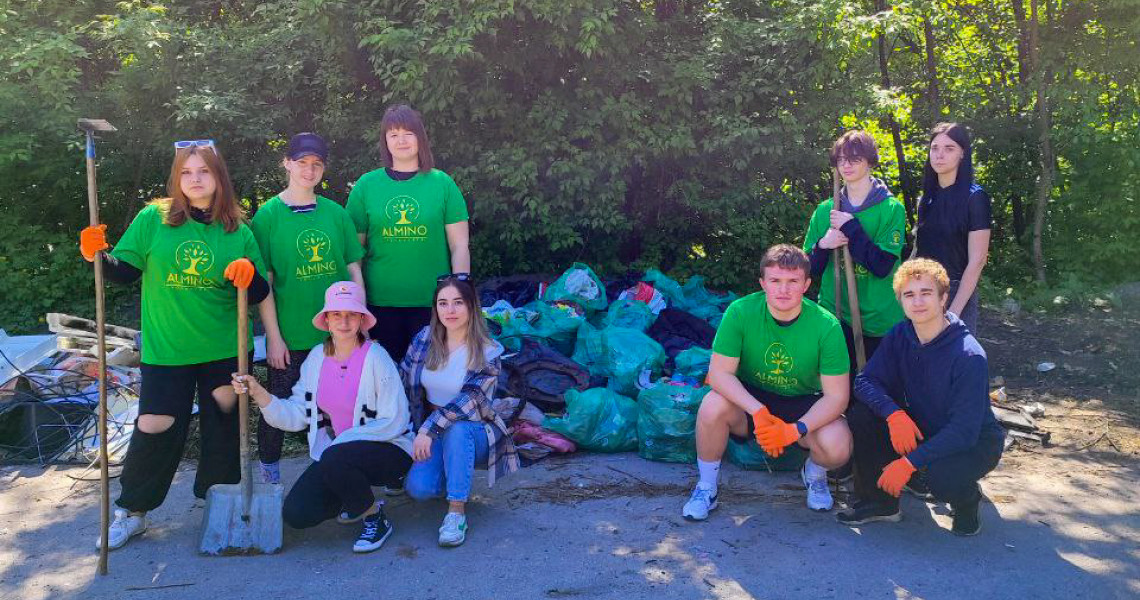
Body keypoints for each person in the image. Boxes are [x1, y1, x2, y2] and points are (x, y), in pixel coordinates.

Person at [79, 139, 269, 550]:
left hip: (224, 346)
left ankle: (218, 503)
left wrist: (247, 274)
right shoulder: (155, 219)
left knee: (225, 423)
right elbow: (123, 272)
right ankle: (133, 511)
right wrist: (96, 254)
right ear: (176, 178)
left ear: (219, 177)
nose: (195, 179)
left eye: (204, 171)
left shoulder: (236, 228)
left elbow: (259, 292)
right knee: (155, 425)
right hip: (167, 350)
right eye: (187, 172)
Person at [231, 281, 414, 553]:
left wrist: (343, 444)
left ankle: (373, 516)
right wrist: (259, 393)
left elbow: (395, 419)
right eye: (337, 314)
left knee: (335, 456)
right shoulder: (316, 359)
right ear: (326, 319)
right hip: (337, 458)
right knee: (297, 513)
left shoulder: (376, 357)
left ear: (362, 319)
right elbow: (297, 414)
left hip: (389, 450)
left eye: (352, 314)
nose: (344, 321)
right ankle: (353, 498)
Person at [682, 244, 852, 520]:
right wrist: (758, 412)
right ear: (762, 283)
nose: (783, 290)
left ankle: (815, 474)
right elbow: (719, 374)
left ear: (807, 284)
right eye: (775, 281)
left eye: (793, 281)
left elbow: (837, 397)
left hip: (803, 400)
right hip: (752, 397)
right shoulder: (740, 311)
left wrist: (796, 429)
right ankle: (707, 487)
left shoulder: (827, 325)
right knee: (712, 405)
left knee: (837, 445)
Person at [837, 259, 1005, 536]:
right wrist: (894, 414)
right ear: (901, 301)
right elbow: (865, 381)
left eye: (926, 293)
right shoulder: (901, 335)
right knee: (863, 414)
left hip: (973, 443)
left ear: (943, 298)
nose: (918, 302)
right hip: (922, 426)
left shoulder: (968, 355)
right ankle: (881, 503)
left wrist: (909, 463)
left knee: (940, 479)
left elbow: (964, 431)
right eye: (909, 295)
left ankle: (967, 499)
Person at [251, 132, 366, 484]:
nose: (309, 170)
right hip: (293, 332)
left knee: (342, 404)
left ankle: (342, 471)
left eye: (316, 164)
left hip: (339, 331)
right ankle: (269, 470)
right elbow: (264, 283)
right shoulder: (267, 217)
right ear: (287, 163)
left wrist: (361, 320)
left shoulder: (335, 214)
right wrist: (273, 337)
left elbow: (353, 269)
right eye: (301, 162)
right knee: (279, 402)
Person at [401, 274, 519, 547]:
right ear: (435, 308)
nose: (450, 311)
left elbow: (468, 401)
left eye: (458, 303)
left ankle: (456, 513)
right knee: (420, 489)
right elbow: (403, 378)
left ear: (471, 306)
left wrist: (427, 430)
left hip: (474, 430)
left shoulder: (488, 351)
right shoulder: (424, 339)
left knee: (458, 429)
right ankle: (451, 469)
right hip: (432, 427)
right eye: (443, 303)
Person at [347, 104, 471, 363]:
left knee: (429, 379)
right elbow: (353, 254)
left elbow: (459, 246)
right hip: (380, 306)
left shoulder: (442, 183)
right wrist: (357, 305)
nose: (401, 140)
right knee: (384, 380)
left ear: (420, 138)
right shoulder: (366, 186)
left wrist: (459, 296)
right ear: (385, 142)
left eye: (408, 133)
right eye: (393, 134)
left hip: (432, 304)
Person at [804, 130, 906, 375]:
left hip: (879, 318)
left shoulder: (891, 209)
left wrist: (851, 228)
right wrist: (823, 245)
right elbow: (808, 270)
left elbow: (882, 267)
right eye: (841, 159)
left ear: (870, 162)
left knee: (875, 393)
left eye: (854, 159)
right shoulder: (826, 210)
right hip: (835, 315)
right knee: (838, 390)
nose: (846, 165)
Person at [914, 122, 991, 334]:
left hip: (957, 291)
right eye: (935, 148)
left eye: (949, 149)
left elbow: (977, 261)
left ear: (962, 154)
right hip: (922, 292)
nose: (939, 155)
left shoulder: (975, 198)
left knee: (955, 362)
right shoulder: (927, 199)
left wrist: (953, 312)